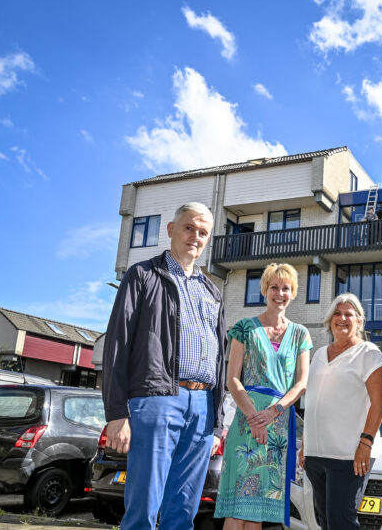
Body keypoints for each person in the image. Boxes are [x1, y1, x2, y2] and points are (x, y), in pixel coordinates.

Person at [102, 202, 227, 530]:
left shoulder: (213, 291)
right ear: (171, 229)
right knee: (143, 507)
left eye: (203, 232)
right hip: (157, 399)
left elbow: (221, 358)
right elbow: (116, 345)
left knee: (183, 510)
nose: (195, 237)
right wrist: (117, 413)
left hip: (202, 407)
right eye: (189, 228)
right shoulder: (142, 276)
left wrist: (217, 422)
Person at [215, 263, 312, 528]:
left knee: (258, 510)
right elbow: (232, 379)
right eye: (274, 287)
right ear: (264, 290)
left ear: (293, 293)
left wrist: (272, 413)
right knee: (237, 509)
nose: (280, 293)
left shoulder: (301, 334)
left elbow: (301, 383)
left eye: (286, 288)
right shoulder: (244, 327)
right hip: (247, 423)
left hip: (278, 425)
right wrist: (253, 417)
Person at [299, 293, 382, 530]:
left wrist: (365, 444)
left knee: (342, 522)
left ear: (359, 321)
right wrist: (306, 444)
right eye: (337, 313)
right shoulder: (319, 354)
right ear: (330, 321)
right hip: (317, 455)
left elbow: (379, 402)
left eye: (349, 314)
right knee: (325, 521)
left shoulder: (369, 353)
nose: (342, 318)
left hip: (349, 456)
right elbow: (314, 402)